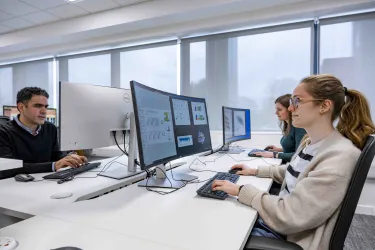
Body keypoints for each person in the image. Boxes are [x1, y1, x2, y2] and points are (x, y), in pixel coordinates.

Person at [212, 74, 375, 250]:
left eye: (297, 101)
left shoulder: (339, 156)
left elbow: (290, 215)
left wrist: (241, 190)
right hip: (284, 223)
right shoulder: (311, 142)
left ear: (324, 106)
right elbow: (294, 171)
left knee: (215, 231)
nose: (290, 108)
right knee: (218, 214)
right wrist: (254, 171)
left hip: (291, 237)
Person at [0, 87, 87, 179]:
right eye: (38, 106)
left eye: (46, 106)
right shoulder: (3, 132)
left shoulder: (50, 128)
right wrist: (53, 166)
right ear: (21, 107)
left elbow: (55, 155)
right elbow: (7, 168)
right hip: (15, 186)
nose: (44, 111)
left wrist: (69, 158)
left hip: (45, 181)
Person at [255, 94, 306, 163]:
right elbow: (292, 148)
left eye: (279, 110)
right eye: (276, 109)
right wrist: (278, 149)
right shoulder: (288, 126)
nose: (276, 113)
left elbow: (298, 155)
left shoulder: (299, 127)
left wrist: (274, 154)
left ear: (290, 109)